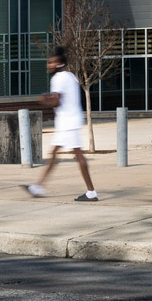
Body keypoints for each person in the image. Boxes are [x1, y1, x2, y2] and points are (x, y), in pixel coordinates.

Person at [27, 47, 98, 202]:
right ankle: (38, 186)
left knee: (78, 156)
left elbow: (57, 101)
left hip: (67, 122)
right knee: (54, 154)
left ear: (59, 63)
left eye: (51, 62)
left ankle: (91, 192)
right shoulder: (71, 76)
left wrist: (43, 99)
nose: (49, 65)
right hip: (70, 120)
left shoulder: (58, 78)